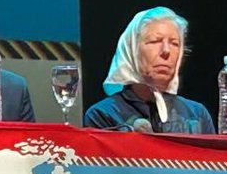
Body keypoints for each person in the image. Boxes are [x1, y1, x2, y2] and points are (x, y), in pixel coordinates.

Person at [83, 7, 214, 133]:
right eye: (155, 41)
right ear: (131, 51)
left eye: (174, 43)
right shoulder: (104, 116)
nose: (166, 51)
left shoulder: (197, 115)